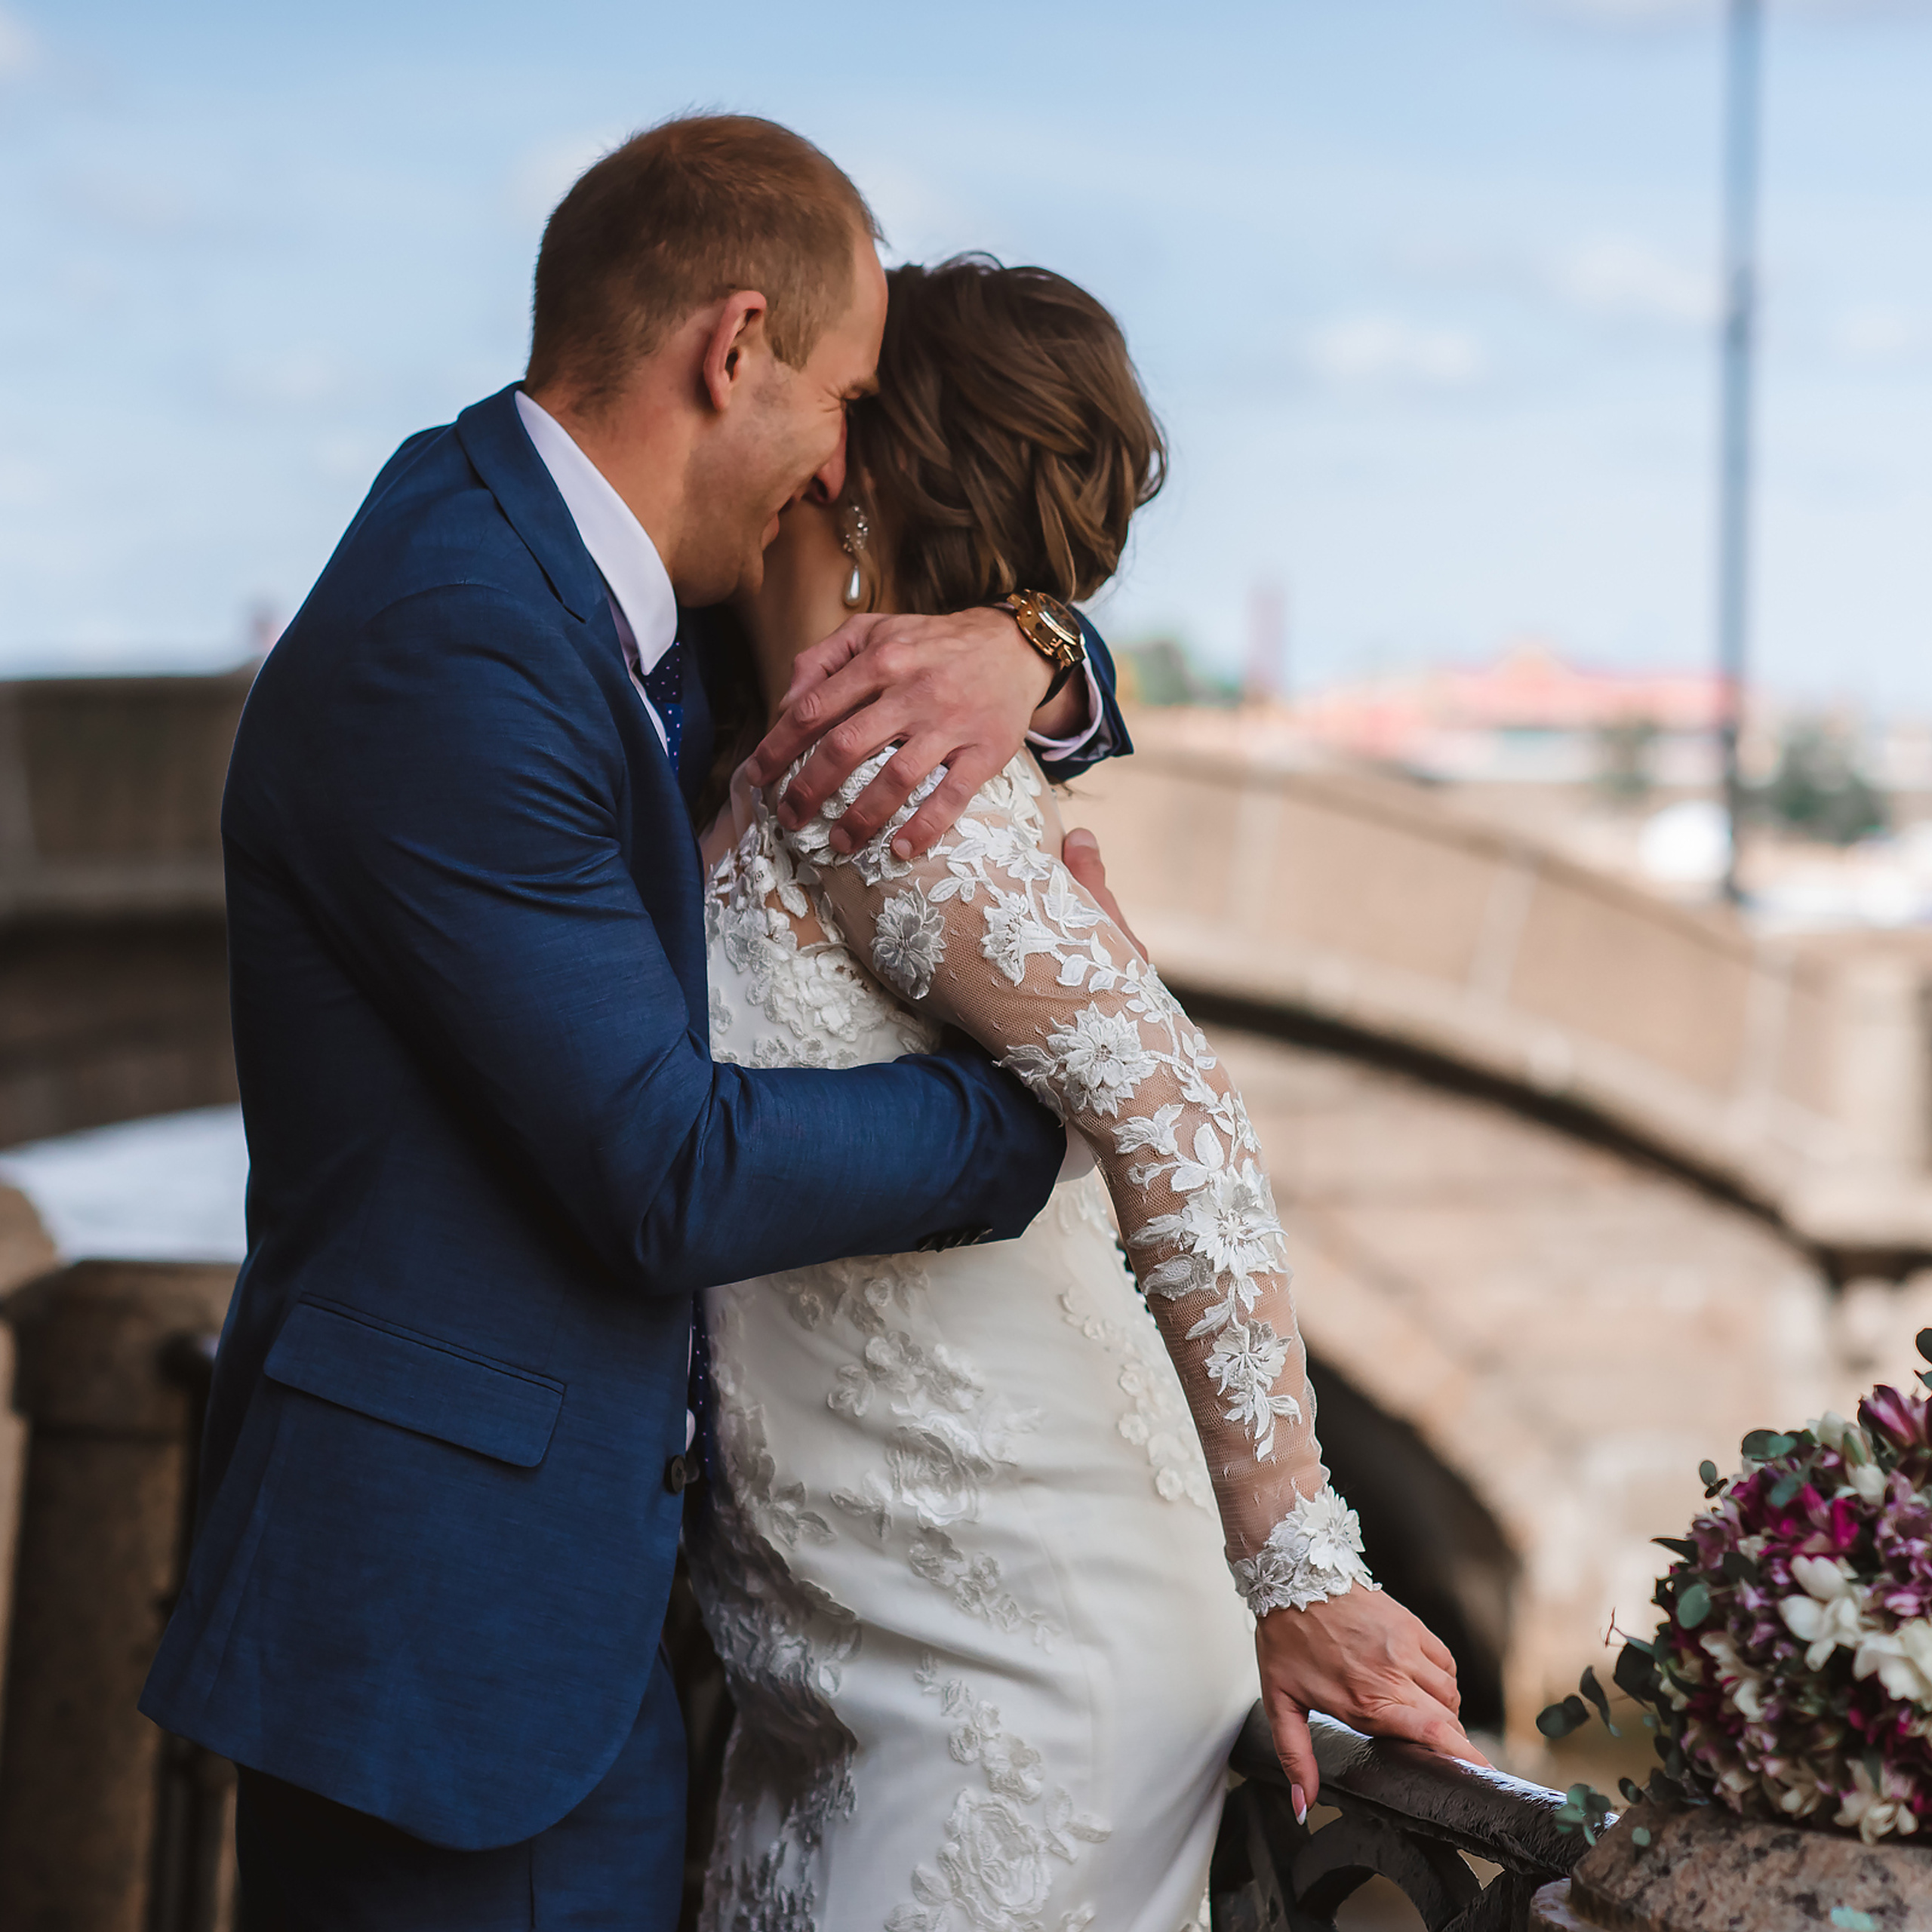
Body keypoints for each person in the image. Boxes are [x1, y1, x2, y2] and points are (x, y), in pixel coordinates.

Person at [139, 116, 1138, 1930]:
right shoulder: (459, 640)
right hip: (452, 1647)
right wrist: (1030, 1109)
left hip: (575, 1612)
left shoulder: (556, 576)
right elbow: (659, 1166)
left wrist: (1040, 643)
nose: (845, 466)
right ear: (732, 348)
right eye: (840, 398)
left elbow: (844, 673)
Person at [684, 256, 1477, 1932]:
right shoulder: (777, 740)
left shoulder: (893, 787)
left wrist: (1299, 1571)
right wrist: (1039, 642)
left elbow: (1176, 1114)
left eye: (837, 397)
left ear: (858, 460)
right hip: (836, 1651)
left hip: (1021, 1651)